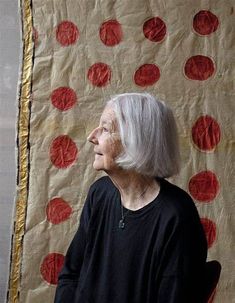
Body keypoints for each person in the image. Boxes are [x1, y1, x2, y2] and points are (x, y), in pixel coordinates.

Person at [54, 93, 207, 303]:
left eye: (105, 129)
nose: (92, 136)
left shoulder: (176, 216)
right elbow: (70, 275)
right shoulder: (100, 193)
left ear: (136, 141)